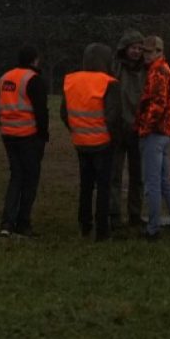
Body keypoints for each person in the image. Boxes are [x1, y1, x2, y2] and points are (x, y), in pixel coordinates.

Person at [63, 42, 123, 241]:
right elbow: (113, 116)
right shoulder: (109, 82)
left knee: (86, 185)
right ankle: (103, 230)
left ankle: (84, 225)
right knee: (103, 187)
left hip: (80, 141)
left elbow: (64, 112)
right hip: (103, 143)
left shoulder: (71, 81)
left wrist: (76, 130)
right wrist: (114, 138)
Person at [0, 45, 49, 238]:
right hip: (29, 136)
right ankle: (23, 223)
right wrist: (43, 135)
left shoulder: (3, 79)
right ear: (34, 60)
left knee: (16, 177)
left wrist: (8, 123)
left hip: (8, 135)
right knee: (30, 180)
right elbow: (42, 112)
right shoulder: (34, 80)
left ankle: (7, 222)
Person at [135, 35, 170, 240]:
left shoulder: (157, 72)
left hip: (155, 133)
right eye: (144, 51)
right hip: (165, 132)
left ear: (159, 52)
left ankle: (153, 228)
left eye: (150, 52)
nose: (146, 55)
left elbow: (157, 104)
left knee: (152, 182)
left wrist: (144, 128)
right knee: (165, 182)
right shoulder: (164, 69)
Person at [110, 28, 146, 229]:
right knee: (114, 175)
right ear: (125, 48)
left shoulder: (146, 70)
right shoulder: (115, 69)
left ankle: (135, 214)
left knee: (137, 176)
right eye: (133, 47)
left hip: (138, 129)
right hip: (117, 128)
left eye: (140, 48)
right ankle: (114, 214)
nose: (137, 51)